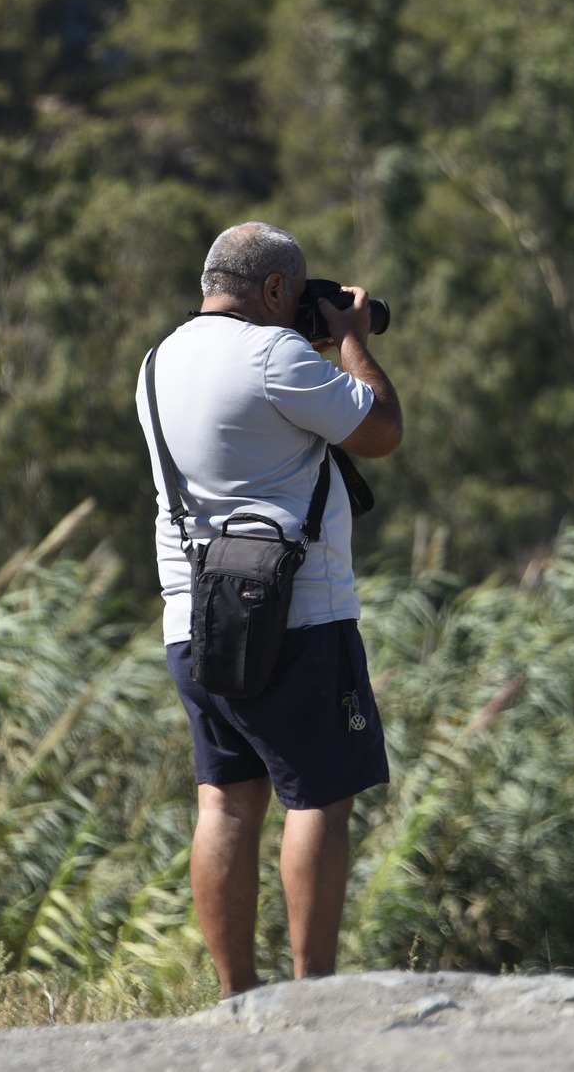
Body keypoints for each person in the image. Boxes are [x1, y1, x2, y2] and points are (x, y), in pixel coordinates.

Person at [135, 221, 403, 995]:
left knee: (225, 801)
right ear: (277, 289)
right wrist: (351, 340)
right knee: (318, 795)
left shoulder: (157, 362)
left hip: (194, 620)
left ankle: (237, 996)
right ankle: (311, 993)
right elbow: (381, 430)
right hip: (297, 615)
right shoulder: (275, 355)